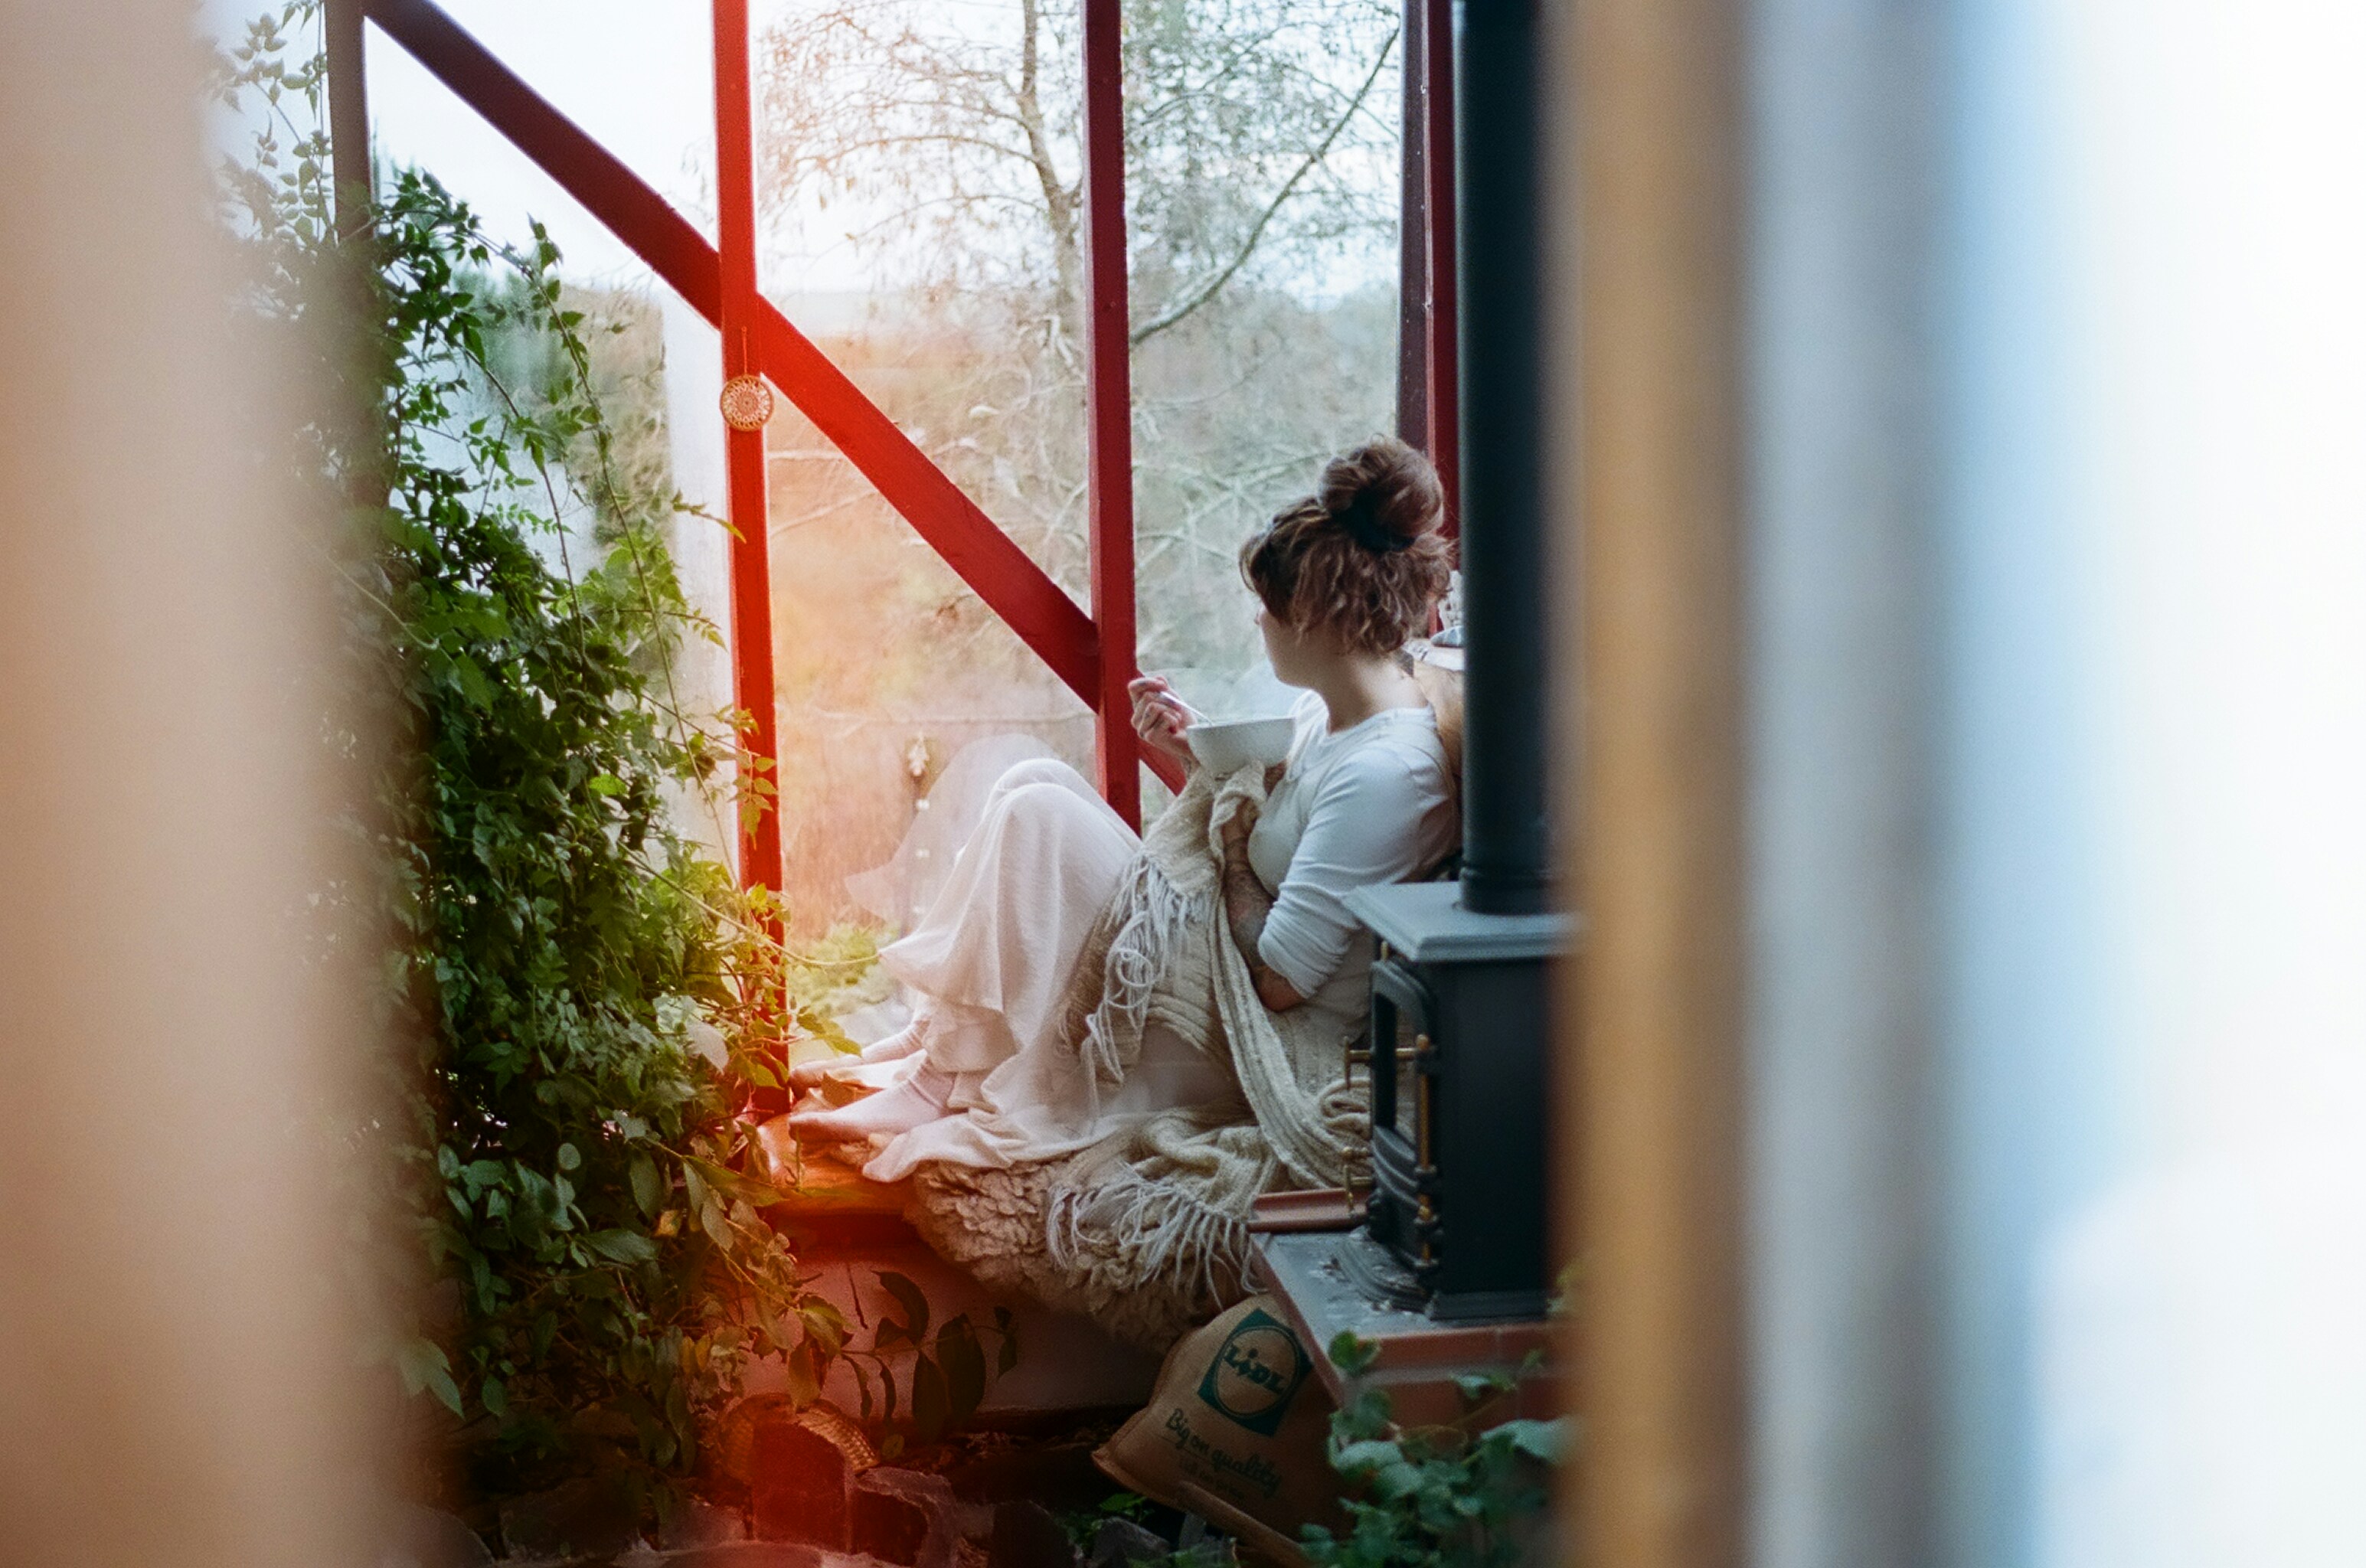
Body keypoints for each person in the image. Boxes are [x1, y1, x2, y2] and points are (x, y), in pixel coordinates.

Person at [789, 438, 1459, 1183]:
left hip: (1250, 1039)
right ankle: (937, 1051)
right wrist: (1189, 753)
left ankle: (938, 1082)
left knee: (1041, 814)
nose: (1257, 625)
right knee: (1031, 777)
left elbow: (1279, 981)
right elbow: (1266, 832)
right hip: (1219, 972)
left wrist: (1231, 831)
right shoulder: (1330, 715)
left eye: (1268, 607)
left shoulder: (1385, 772)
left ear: (1316, 618)